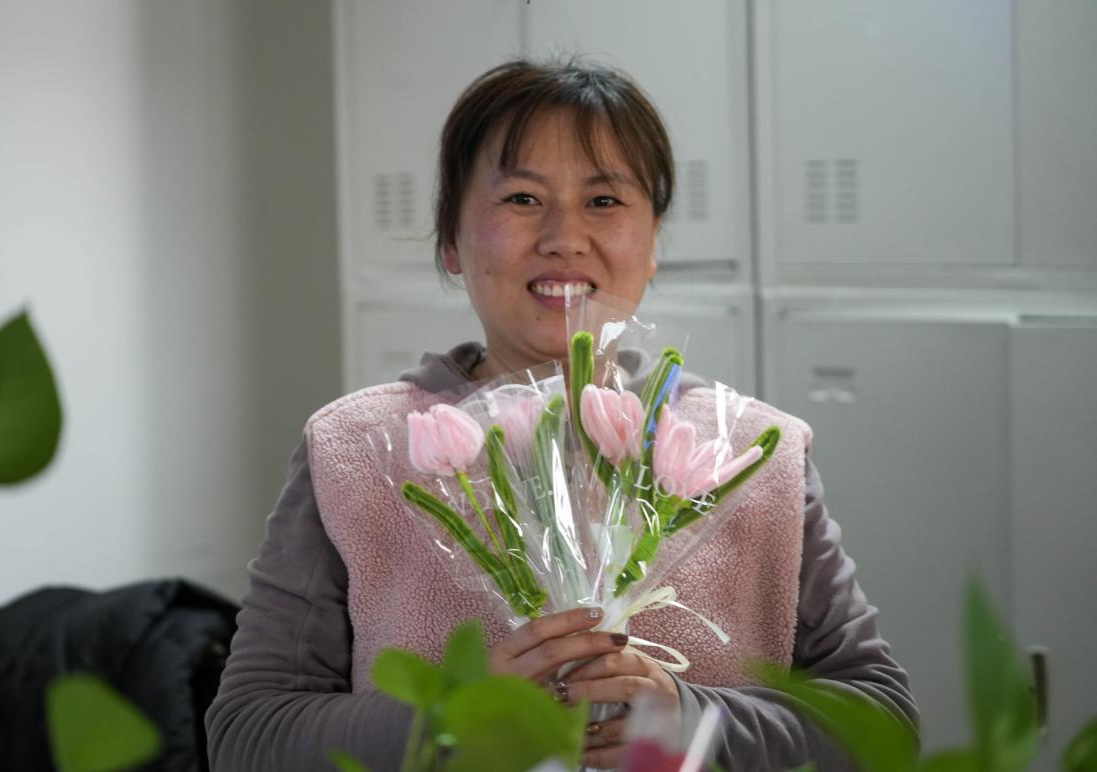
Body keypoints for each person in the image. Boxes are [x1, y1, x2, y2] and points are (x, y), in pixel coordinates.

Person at [206, 59, 918, 771]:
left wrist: (692, 720)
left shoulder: (753, 454)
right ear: (451, 240)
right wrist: (454, 720)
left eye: (604, 200)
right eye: (521, 198)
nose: (564, 237)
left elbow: (880, 720)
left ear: (652, 240)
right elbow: (247, 735)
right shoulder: (355, 450)